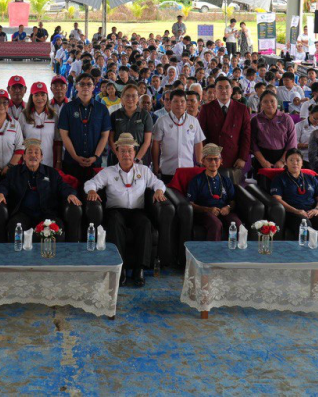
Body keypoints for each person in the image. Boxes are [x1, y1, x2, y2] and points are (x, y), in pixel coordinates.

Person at [84, 133, 168, 288]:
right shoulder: (109, 171)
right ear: (117, 153)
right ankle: (120, 268)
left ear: (134, 153)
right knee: (115, 222)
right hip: (115, 211)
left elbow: (158, 183)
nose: (126, 154)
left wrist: (158, 191)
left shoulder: (143, 170)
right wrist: (92, 191)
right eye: (122, 151)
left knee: (145, 223)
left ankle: (139, 269)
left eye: (129, 151)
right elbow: (90, 183)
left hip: (137, 211)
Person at [0, 138, 81, 244]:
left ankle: (50, 255)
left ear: (41, 157)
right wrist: (0, 194)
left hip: (47, 214)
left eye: (37, 152)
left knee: (54, 229)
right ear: (24, 157)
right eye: (30, 152)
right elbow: (4, 185)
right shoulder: (14, 172)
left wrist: (70, 194)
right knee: (15, 227)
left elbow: (63, 186)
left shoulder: (51, 173)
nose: (33, 155)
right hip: (22, 213)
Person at [270, 149, 318, 248]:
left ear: (302, 163)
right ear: (286, 162)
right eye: (291, 160)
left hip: (311, 211)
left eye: (298, 160)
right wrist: (296, 211)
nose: (295, 163)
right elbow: (277, 199)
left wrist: (317, 209)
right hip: (292, 212)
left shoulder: (311, 178)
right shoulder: (279, 179)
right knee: (305, 224)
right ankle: (305, 256)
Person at [57, 72, 112, 184]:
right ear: (76, 86)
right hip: (72, 162)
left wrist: (95, 156)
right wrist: (75, 157)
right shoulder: (67, 108)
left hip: (95, 163)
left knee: (94, 192)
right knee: (72, 192)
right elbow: (64, 135)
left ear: (93, 87)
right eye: (82, 84)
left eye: (89, 84)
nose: (85, 87)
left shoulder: (102, 109)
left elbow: (104, 136)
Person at [196, 77, 251, 184]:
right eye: (220, 88)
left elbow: (246, 135)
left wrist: (242, 158)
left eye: (227, 87)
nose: (224, 90)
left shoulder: (242, 108)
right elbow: (201, 136)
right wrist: (206, 157)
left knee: (234, 189)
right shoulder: (206, 108)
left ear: (231, 90)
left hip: (234, 158)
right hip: (213, 157)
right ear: (215, 91)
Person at [186, 144, 242, 241]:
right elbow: (190, 203)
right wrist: (207, 209)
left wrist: (228, 208)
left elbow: (232, 201)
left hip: (223, 211)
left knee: (237, 224)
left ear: (221, 161)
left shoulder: (226, 180)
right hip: (204, 213)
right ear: (203, 161)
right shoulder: (196, 181)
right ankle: (212, 251)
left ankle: (236, 250)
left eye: (216, 159)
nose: (213, 162)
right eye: (209, 159)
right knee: (216, 224)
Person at [152, 89, 205, 180]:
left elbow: (198, 143)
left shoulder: (193, 121)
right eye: (175, 101)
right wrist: (156, 166)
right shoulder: (161, 121)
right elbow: (155, 144)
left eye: (182, 101)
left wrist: (199, 163)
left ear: (186, 103)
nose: (179, 104)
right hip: (167, 169)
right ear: (170, 103)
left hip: (188, 169)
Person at [250, 91, 296, 173]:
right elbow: (253, 144)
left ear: (277, 102)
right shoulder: (255, 120)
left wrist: (282, 161)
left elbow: (292, 143)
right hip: (262, 158)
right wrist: (263, 162)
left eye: (272, 101)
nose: (269, 104)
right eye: (265, 101)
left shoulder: (286, 119)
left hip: (284, 157)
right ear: (261, 104)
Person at [20, 82, 60, 168]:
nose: (40, 98)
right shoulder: (24, 115)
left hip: (48, 161)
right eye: (36, 95)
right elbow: (19, 140)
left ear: (47, 96)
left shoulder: (53, 116)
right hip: (29, 162)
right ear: (31, 97)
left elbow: (58, 140)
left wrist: (58, 161)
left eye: (43, 95)